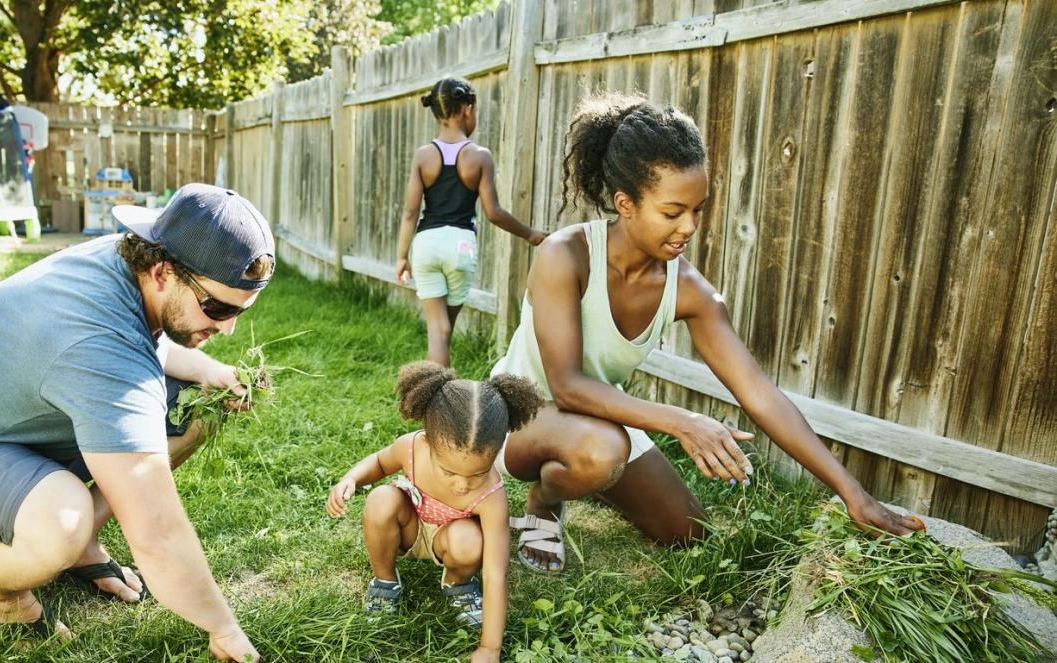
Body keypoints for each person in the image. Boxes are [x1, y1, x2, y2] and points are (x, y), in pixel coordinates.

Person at [491, 94, 926, 574]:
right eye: (673, 211)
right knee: (602, 452)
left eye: (698, 210)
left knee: (689, 533)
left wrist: (853, 493)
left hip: (601, 422)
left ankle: (590, 474)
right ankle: (546, 500)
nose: (689, 227)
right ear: (626, 204)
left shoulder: (690, 291)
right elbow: (568, 386)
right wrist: (682, 421)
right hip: (519, 415)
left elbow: (759, 393)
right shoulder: (565, 255)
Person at [0, 183, 273, 662]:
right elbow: (158, 534)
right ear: (164, 271)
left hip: (18, 427)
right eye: (218, 308)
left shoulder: (129, 267)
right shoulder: (97, 344)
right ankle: (2, 592)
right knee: (62, 519)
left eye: (240, 311)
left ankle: (80, 545)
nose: (227, 328)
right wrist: (224, 628)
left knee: (197, 407)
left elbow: (147, 341)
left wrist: (213, 373)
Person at [325, 361, 543, 663]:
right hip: (409, 527)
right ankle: (385, 582)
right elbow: (378, 463)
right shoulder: (412, 447)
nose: (462, 485)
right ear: (427, 442)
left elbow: (495, 573)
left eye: (477, 474)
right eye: (448, 471)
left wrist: (489, 648)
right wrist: (351, 478)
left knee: (469, 541)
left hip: (451, 539)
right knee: (380, 500)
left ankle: (458, 583)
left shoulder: (492, 497)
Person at [394, 76, 549, 367]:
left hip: (426, 244)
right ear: (467, 109)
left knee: (437, 332)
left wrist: (402, 256)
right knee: (444, 331)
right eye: (474, 110)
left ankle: (430, 398)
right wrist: (530, 234)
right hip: (460, 246)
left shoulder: (424, 156)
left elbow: (409, 213)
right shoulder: (479, 157)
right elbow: (493, 212)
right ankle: (441, 402)